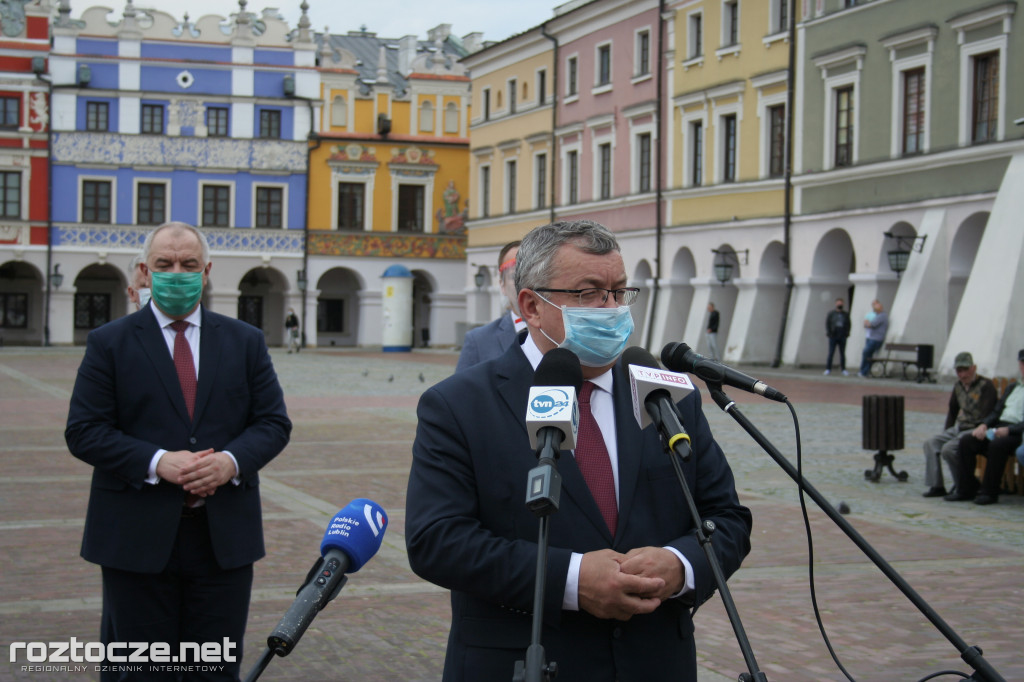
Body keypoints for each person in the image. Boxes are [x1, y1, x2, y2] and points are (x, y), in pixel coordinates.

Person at [406, 219, 752, 681]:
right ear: (531, 305)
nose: (610, 309)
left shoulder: (667, 397)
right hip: (522, 662)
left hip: (654, 662)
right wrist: (571, 579)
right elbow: (437, 541)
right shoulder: (458, 405)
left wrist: (680, 565)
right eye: (589, 293)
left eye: (619, 291)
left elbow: (726, 518)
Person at [65, 222, 292, 681]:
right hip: (136, 540)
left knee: (213, 668)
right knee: (143, 671)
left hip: (222, 540)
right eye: (164, 264)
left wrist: (229, 462)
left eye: (188, 264)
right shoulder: (109, 343)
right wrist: (155, 461)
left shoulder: (244, 341)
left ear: (206, 271)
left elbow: (273, 423)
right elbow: (84, 430)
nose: (176, 273)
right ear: (145, 273)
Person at [947, 349, 1024, 505]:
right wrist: (984, 425)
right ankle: (966, 489)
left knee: (997, 445)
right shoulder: (1013, 387)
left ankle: (989, 492)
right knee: (967, 441)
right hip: (999, 426)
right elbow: (996, 411)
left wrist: (1009, 430)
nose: (1023, 367)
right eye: (1022, 363)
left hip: (1018, 432)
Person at [920, 352, 997, 498]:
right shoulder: (958, 386)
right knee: (931, 443)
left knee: (949, 449)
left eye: (965, 370)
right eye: (959, 371)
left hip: (977, 428)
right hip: (960, 427)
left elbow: (987, 415)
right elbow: (953, 411)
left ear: (974, 368)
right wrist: (947, 431)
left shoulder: (985, 385)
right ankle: (936, 486)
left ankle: (965, 485)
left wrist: (980, 427)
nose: (962, 374)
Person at [455, 240, 527, 372]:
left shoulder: (563, 334)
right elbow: (461, 391)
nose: (522, 281)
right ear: (502, 285)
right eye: (514, 275)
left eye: (529, 272)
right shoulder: (479, 341)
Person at [858, 299, 888, 377]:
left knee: (866, 353)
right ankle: (863, 371)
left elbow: (872, 324)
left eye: (876, 308)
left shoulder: (882, 316)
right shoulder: (876, 315)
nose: (875, 310)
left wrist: (868, 323)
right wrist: (867, 323)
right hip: (871, 337)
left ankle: (864, 371)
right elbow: (866, 324)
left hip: (876, 339)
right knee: (867, 354)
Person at [824, 297, 850, 376]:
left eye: (841, 303)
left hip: (842, 335)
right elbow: (827, 323)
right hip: (833, 335)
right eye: (838, 303)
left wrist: (847, 333)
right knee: (831, 353)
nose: (840, 304)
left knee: (842, 353)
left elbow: (848, 324)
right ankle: (828, 369)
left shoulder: (845, 314)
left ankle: (843, 369)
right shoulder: (831, 314)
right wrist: (829, 332)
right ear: (836, 304)